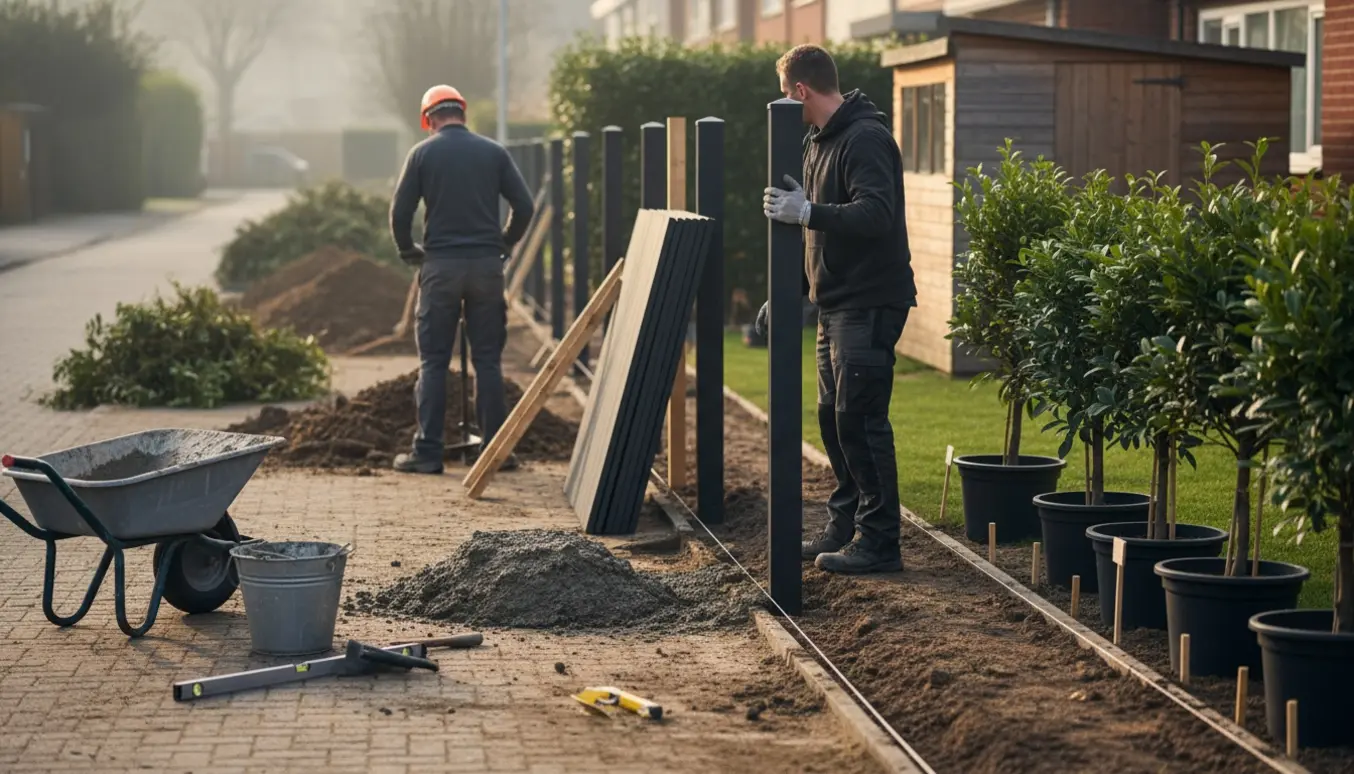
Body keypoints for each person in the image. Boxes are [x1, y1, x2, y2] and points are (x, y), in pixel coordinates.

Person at [760, 45, 917, 574]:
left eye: (786, 94)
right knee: (833, 419)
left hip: (870, 303)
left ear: (800, 90)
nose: (786, 103)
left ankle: (880, 543)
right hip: (836, 305)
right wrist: (788, 290)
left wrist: (807, 209)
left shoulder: (865, 138)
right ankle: (845, 525)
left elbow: (875, 214)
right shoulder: (818, 142)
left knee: (862, 420)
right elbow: (819, 237)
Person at [389, 84, 536, 474]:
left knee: (434, 361)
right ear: (462, 113)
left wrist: (409, 251)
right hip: (487, 269)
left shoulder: (421, 155)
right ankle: (496, 452)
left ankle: (428, 453)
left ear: (428, 119)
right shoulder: (494, 152)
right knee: (488, 360)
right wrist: (504, 242)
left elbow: (400, 214)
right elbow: (524, 206)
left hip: (441, 269)